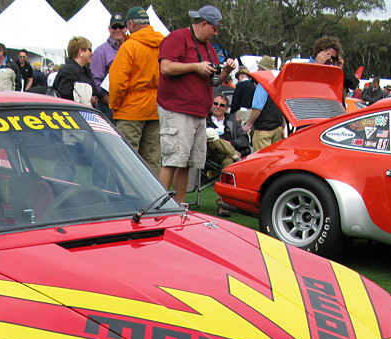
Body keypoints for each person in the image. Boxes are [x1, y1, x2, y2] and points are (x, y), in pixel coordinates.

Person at [156, 4, 236, 201]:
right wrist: (195, 67)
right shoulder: (177, 38)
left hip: (199, 112)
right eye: (215, 28)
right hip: (177, 110)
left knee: (188, 163)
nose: (216, 33)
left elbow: (215, 79)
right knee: (173, 160)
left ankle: (180, 205)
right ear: (204, 24)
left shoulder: (208, 47)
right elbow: (165, 67)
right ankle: (157, 207)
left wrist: (226, 69)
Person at [109, 6, 164, 175]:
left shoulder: (129, 46)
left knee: (126, 159)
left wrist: (115, 105)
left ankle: (127, 199)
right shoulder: (163, 43)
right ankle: (154, 199)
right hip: (156, 107)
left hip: (131, 110)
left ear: (131, 23)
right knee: (153, 159)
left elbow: (119, 81)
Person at [242, 55, 285, 151]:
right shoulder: (278, 85)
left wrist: (248, 124)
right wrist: (282, 126)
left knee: (262, 160)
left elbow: (257, 108)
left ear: (261, 69)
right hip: (277, 127)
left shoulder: (262, 85)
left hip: (264, 129)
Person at [91, 12, 127, 118]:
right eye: (114, 27)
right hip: (109, 107)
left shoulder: (132, 48)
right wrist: (110, 102)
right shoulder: (101, 51)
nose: (117, 30)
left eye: (121, 26)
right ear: (109, 28)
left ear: (126, 28)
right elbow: (96, 81)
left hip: (131, 105)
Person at [55, 37, 96, 106]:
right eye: (89, 50)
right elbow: (65, 95)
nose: (91, 53)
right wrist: (87, 98)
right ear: (81, 51)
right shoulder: (69, 70)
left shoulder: (86, 71)